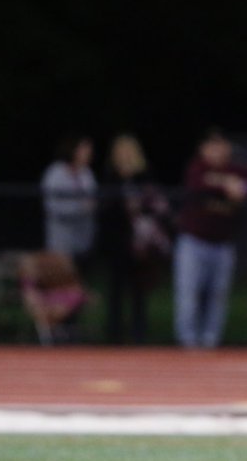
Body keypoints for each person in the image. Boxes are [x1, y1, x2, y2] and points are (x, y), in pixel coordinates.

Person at [174, 128, 247, 348]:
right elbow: (197, 184)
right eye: (211, 146)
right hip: (194, 242)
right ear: (203, 149)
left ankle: (210, 342)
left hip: (222, 244)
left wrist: (244, 186)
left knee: (217, 297)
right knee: (188, 296)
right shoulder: (197, 168)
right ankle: (187, 344)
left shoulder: (236, 170)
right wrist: (226, 185)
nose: (217, 151)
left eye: (221, 145)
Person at [96, 133, 174, 343]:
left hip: (140, 243)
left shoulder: (145, 176)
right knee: (116, 289)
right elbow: (103, 209)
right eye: (120, 152)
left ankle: (138, 335)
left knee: (139, 289)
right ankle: (114, 335)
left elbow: (158, 206)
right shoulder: (110, 176)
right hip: (117, 240)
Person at [40, 133, 98, 273]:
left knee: (80, 275)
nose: (88, 153)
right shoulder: (55, 172)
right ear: (73, 150)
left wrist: (90, 206)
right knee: (61, 276)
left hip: (83, 235)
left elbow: (93, 198)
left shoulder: (87, 173)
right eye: (84, 149)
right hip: (61, 236)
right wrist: (80, 207)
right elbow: (51, 205)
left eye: (89, 150)